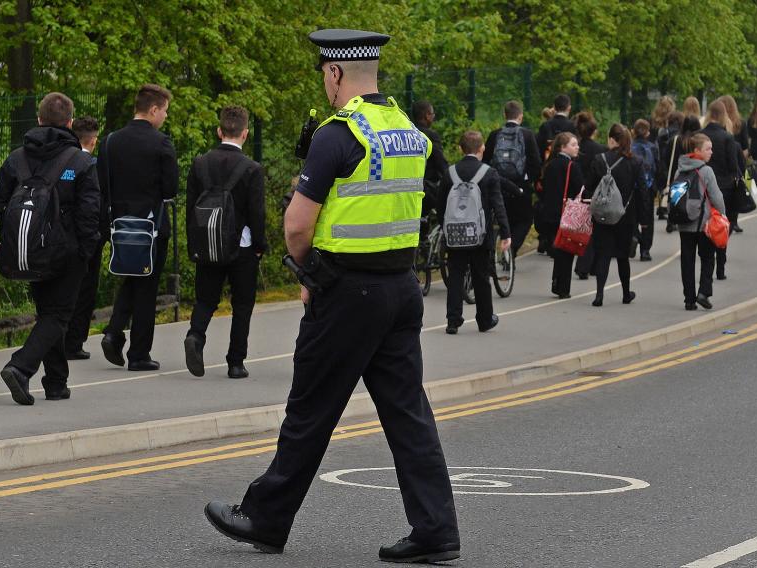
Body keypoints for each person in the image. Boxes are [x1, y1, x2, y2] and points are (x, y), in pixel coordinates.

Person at [204, 29, 461, 564]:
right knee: (408, 413)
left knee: (309, 411)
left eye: (325, 74)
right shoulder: (410, 130)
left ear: (335, 73)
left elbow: (297, 224)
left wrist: (306, 272)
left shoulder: (337, 134)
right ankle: (436, 529)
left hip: (346, 292)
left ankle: (266, 519)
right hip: (400, 288)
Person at [0, 93, 101, 405]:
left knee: (48, 313)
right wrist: (86, 250)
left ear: (39, 120)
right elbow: (89, 211)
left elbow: (0, 203)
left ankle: (56, 382)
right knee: (58, 315)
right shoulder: (81, 161)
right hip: (68, 251)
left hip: (27, 249)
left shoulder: (17, 159)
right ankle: (20, 366)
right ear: (70, 123)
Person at [98, 84, 179, 371]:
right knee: (147, 286)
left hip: (119, 223)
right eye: (165, 111)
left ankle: (114, 330)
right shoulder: (161, 143)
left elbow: (102, 184)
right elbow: (171, 188)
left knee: (131, 275)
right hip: (152, 224)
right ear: (154, 109)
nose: (165, 117)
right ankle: (139, 353)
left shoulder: (110, 142)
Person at [184, 106, 267, 379]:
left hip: (207, 242)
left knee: (205, 299)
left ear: (220, 131)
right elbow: (257, 212)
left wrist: (193, 244)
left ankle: (196, 335)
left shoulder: (199, 164)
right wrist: (259, 244)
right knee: (242, 304)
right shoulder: (252, 169)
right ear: (245, 133)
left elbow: (190, 208)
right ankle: (235, 362)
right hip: (241, 246)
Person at [440, 130, 511, 334]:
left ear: (461, 149)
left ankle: (453, 320)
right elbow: (498, 205)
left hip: (455, 234)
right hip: (480, 236)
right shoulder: (488, 173)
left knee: (455, 275)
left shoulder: (450, 173)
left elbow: (441, 202)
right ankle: (484, 319)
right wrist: (506, 233)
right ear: (482, 148)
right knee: (481, 276)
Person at [584, 124, 647, 307]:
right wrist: (644, 220)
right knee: (622, 256)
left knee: (603, 254)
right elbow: (643, 191)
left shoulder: (598, 159)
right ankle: (626, 293)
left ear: (612, 139)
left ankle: (599, 295)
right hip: (625, 215)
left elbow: (589, 187)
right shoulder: (635, 162)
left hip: (602, 214)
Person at [64, 116, 103, 360]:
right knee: (86, 288)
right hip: (88, 235)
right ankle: (75, 340)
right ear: (94, 140)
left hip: (61, 234)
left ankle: (61, 335)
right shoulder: (91, 164)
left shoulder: (62, 158)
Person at [483, 100, 542, 257]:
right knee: (525, 219)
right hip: (520, 187)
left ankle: (501, 248)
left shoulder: (495, 135)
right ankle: (512, 249)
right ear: (521, 117)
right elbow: (536, 163)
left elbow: (485, 161)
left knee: (503, 219)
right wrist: (529, 182)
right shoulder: (527, 135)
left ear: (504, 115)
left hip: (499, 186)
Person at [676, 133, 726, 311]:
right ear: (697, 151)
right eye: (708, 149)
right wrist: (723, 215)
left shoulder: (680, 169)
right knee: (707, 258)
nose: (711, 152)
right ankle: (704, 292)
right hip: (704, 224)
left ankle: (689, 299)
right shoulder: (706, 171)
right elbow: (717, 197)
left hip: (684, 222)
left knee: (687, 261)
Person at [538, 132, 584, 298]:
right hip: (567, 213)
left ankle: (556, 283)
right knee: (567, 251)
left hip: (550, 213)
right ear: (563, 147)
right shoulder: (572, 166)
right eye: (573, 144)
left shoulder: (549, 164)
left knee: (558, 250)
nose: (577, 147)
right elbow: (579, 189)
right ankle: (563, 287)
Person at [700, 100, 740, 280]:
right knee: (722, 226)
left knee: (706, 224)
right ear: (724, 115)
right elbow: (734, 166)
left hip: (703, 186)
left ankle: (707, 263)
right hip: (725, 188)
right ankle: (721, 267)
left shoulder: (700, 136)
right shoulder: (727, 138)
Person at [572, 111, 606, 279]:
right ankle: (586, 265)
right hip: (593, 193)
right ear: (594, 131)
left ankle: (583, 263)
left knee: (579, 227)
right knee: (593, 230)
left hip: (577, 191)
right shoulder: (600, 150)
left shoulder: (576, 148)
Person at [412, 100, 448, 222]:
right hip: (426, 188)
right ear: (427, 115)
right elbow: (440, 163)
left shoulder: (408, 132)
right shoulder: (430, 136)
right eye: (432, 114)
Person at [631, 119, 660, 261]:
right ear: (648, 133)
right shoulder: (652, 147)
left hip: (632, 187)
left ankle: (635, 236)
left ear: (633, 132)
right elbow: (657, 167)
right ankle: (645, 250)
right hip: (648, 187)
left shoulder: (629, 147)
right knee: (648, 218)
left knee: (632, 216)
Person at [719, 95, 748, 232]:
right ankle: (734, 220)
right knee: (736, 186)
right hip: (737, 156)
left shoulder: (720, 123)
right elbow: (745, 146)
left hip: (722, 156)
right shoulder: (740, 123)